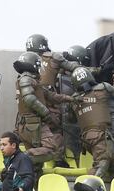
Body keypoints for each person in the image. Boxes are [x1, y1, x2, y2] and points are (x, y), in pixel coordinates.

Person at [13, 52, 77, 185]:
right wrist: (47, 114)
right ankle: (21, 158)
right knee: (52, 149)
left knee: (36, 167)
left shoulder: (32, 81)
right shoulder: (26, 78)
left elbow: (51, 96)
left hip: (29, 124)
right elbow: (29, 98)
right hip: (34, 124)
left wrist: (71, 98)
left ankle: (32, 189)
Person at [26, 34, 81, 168]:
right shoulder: (53, 57)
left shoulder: (26, 61)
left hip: (30, 105)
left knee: (34, 131)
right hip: (49, 102)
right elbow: (74, 68)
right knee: (55, 129)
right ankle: (58, 160)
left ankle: (33, 160)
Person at [70, 66, 114, 181]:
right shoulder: (102, 88)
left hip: (86, 139)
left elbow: (71, 118)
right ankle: (86, 188)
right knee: (102, 164)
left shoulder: (73, 99)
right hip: (101, 136)